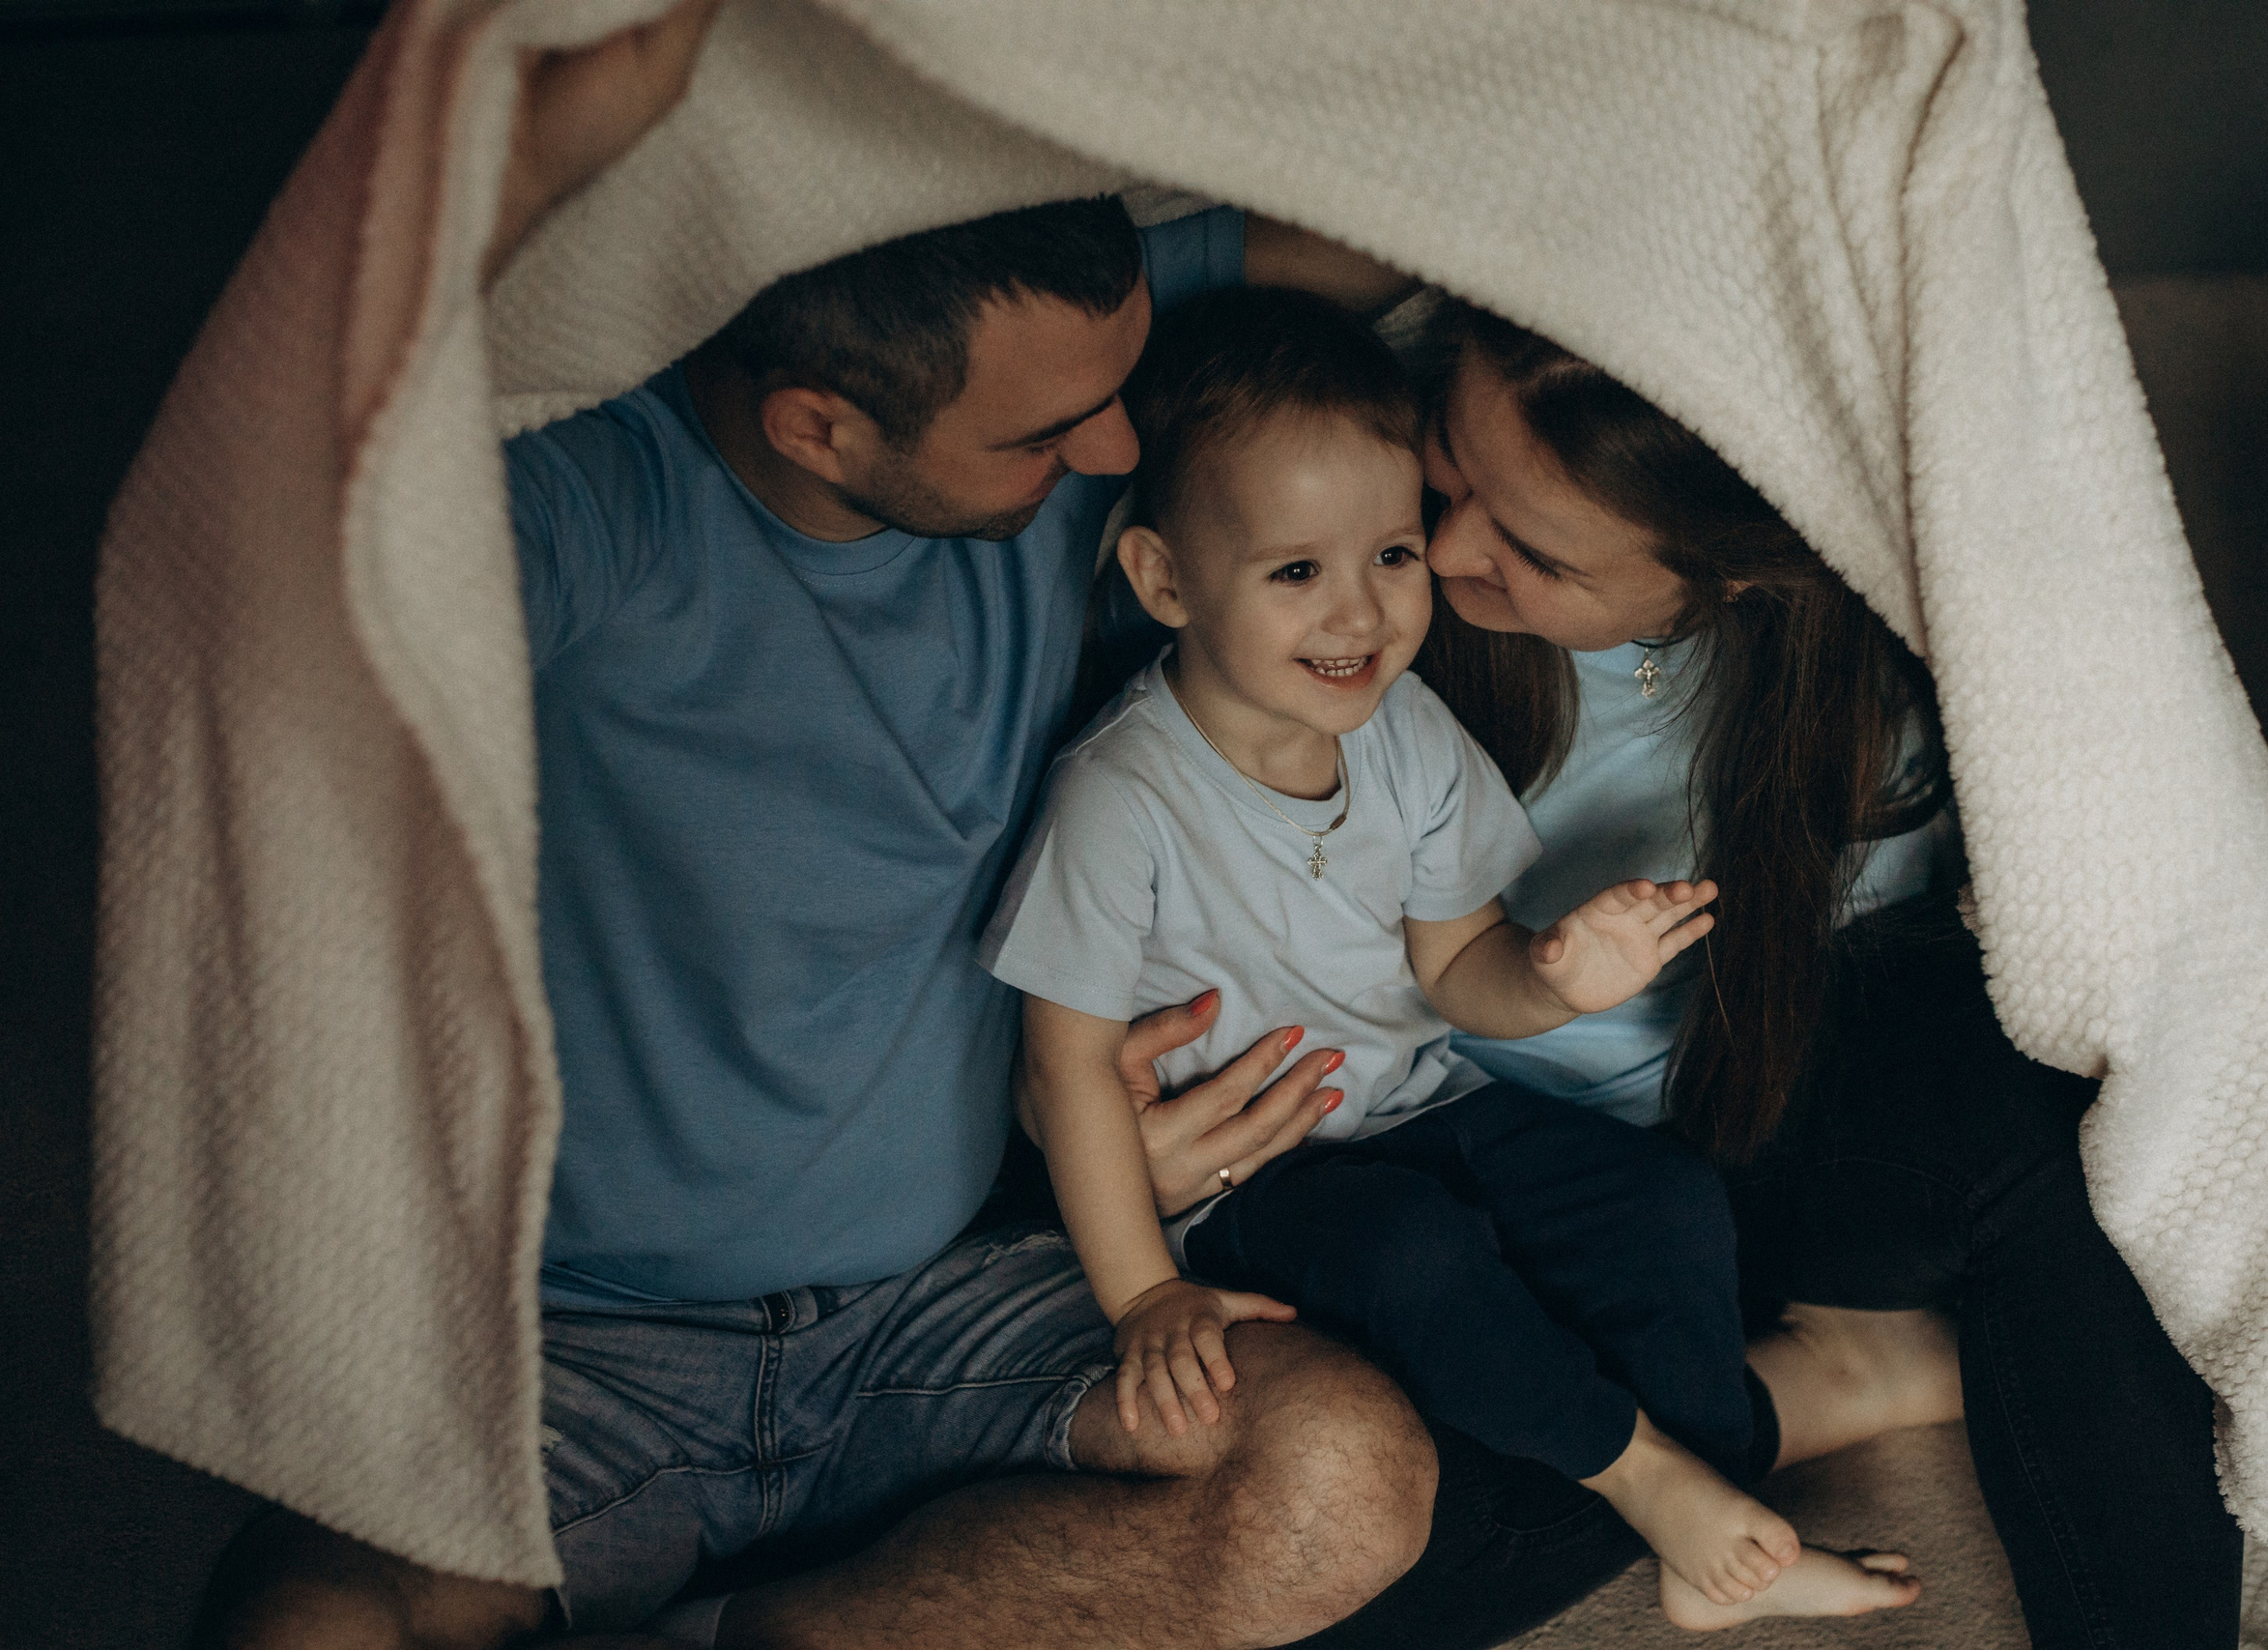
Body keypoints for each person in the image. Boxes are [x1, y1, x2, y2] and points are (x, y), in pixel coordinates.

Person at [195, 17, 1966, 1648]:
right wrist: (529, 146)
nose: (1128, 438)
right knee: (308, 1621)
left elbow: (1407, 225)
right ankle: (1771, 1412)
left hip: (960, 1303)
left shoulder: (1099, 391)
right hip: (597, 1334)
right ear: (823, 423)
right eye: (1055, 436)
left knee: (1356, 1474)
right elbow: (287, 518)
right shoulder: (599, 506)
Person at [982, 285, 1927, 1632]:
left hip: (1424, 1110)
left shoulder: (1405, 732)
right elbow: (1066, 1063)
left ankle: (1702, 1528)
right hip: (1262, 1181)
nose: (1359, 615)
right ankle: (1658, 1482)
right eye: (1296, 572)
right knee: (1417, 1254)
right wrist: (1145, 1293)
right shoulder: (1122, 798)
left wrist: (1551, 978)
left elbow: (1455, 964)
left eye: (1393, 557)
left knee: (1664, 1208)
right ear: (1165, 580)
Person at [1397, 298, 2245, 1649]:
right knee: (1358, 1532)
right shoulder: (1364, 583)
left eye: (1535, 554)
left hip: (1752, 1101)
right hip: (1480, 1158)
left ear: (1729, 576)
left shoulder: (1860, 652)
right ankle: (1832, 1378)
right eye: (1449, 463)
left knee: (2077, 1139)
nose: (1443, 551)